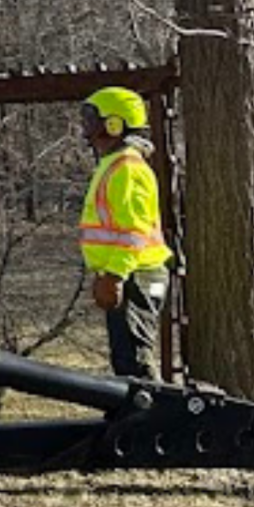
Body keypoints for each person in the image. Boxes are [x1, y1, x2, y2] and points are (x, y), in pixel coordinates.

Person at [76, 85, 171, 381]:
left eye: (93, 120)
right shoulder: (114, 165)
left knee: (135, 362)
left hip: (138, 277)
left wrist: (114, 276)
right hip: (131, 275)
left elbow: (134, 230)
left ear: (114, 124)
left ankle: (151, 422)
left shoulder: (126, 168)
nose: (87, 129)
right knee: (127, 359)